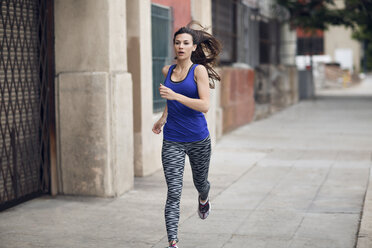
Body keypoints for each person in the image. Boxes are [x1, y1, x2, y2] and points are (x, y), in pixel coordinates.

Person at [152, 22, 221, 248]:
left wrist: (175, 96)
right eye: (177, 43)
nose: (181, 46)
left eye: (186, 43)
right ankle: (173, 242)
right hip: (172, 140)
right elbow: (170, 102)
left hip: (198, 139)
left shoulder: (198, 71)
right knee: (173, 191)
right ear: (174, 46)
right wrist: (163, 118)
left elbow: (204, 106)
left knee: (200, 182)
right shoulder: (167, 71)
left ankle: (203, 198)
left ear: (193, 47)